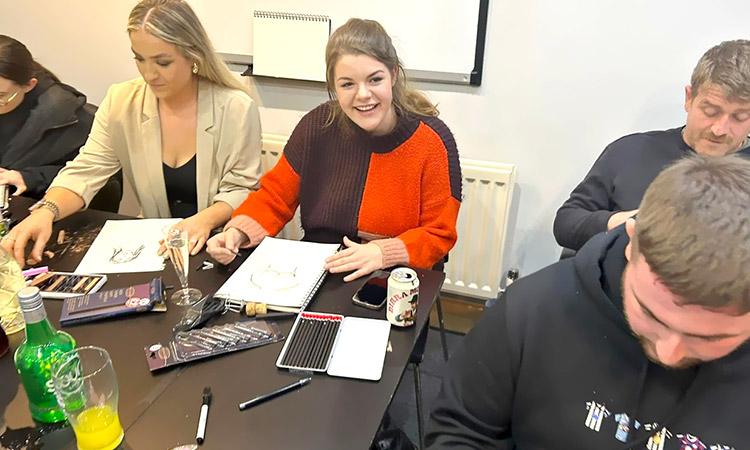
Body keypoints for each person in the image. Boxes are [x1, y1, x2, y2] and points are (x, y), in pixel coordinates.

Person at [426, 155, 750, 449]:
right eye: (651, 314)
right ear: (632, 243)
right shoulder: (532, 310)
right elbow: (462, 431)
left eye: (710, 337)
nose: (669, 353)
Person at [2, 0, 262, 267]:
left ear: (193, 54)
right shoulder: (121, 101)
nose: (149, 74)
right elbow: (87, 170)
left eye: (163, 62)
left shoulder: (235, 108)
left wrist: (203, 221)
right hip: (156, 248)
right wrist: (47, 211)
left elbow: (242, 189)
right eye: (139, 58)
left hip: (221, 246)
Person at [206, 18, 461, 282]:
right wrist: (237, 232)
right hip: (321, 267)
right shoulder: (317, 126)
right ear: (333, 85)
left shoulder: (432, 141)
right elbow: (275, 198)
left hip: (394, 276)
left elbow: (439, 233)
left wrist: (382, 252)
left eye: (375, 79)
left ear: (393, 75)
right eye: (348, 84)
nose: (363, 94)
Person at [553, 39, 750, 252]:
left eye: (739, 117)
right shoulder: (630, 151)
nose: (719, 129)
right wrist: (623, 224)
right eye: (710, 111)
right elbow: (566, 223)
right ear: (689, 98)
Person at [0, 35, 94, 200]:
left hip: (37, 209)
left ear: (29, 85)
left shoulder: (67, 117)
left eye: (1, 96)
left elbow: (93, 173)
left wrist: (30, 178)